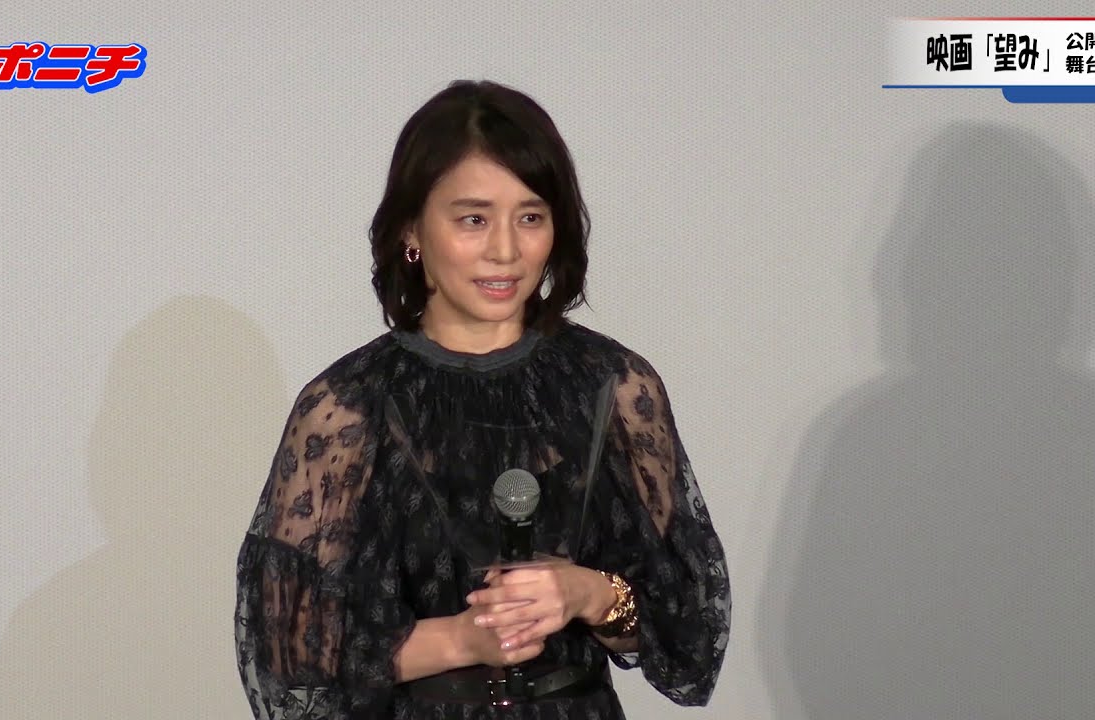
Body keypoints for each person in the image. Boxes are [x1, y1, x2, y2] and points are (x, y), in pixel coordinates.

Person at [234, 79, 730, 719]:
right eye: (473, 219)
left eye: (530, 217)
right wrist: (461, 640)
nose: (505, 250)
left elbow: (690, 638)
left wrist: (587, 594)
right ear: (412, 228)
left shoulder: (613, 385)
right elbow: (289, 662)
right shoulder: (347, 407)